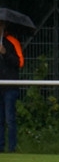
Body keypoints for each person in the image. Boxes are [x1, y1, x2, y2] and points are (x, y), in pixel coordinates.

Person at [0, 21, 23, 153]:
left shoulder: (13, 42)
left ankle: (12, 147)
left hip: (10, 87)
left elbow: (20, 62)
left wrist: (5, 53)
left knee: (10, 119)